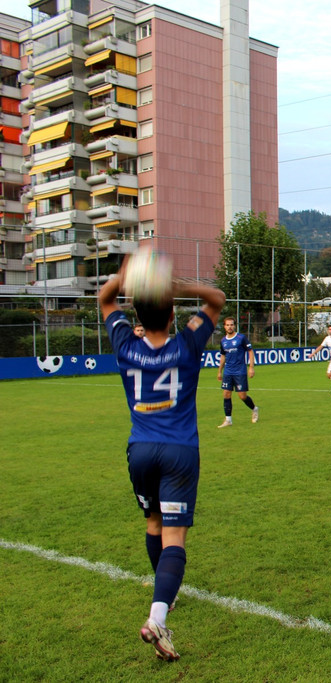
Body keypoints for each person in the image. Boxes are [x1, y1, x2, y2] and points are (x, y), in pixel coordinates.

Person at [99, 257, 226, 662]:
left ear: (135, 313)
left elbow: (105, 298)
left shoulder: (125, 343)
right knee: (175, 537)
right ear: (173, 312)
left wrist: (127, 277)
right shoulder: (187, 343)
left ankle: (163, 600)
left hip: (140, 451)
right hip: (179, 452)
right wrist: (177, 285)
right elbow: (216, 298)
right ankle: (158, 616)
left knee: (153, 522)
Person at [216, 316, 258, 427]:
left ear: (234, 326)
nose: (230, 327)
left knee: (242, 396)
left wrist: (251, 367)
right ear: (224, 327)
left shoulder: (241, 338)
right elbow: (223, 356)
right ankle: (228, 420)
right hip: (228, 372)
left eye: (231, 324)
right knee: (226, 394)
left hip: (240, 371)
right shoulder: (223, 341)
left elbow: (250, 351)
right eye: (227, 325)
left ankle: (254, 409)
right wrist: (220, 371)